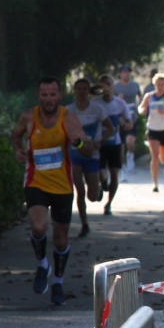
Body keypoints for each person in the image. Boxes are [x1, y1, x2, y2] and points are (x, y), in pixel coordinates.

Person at [11, 76, 92, 306]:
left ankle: (58, 282)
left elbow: (88, 150)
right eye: (44, 94)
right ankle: (42, 264)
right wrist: (19, 149)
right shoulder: (29, 116)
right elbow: (16, 134)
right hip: (35, 181)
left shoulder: (68, 118)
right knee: (38, 226)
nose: (48, 99)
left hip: (62, 185)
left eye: (52, 94)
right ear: (39, 95)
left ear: (59, 95)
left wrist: (77, 143)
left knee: (60, 240)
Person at [67, 77, 111, 236]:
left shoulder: (97, 109)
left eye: (84, 89)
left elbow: (110, 128)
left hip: (92, 154)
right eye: (78, 89)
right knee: (79, 190)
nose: (81, 92)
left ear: (89, 91)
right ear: (74, 91)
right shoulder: (68, 110)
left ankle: (99, 185)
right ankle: (84, 224)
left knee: (92, 197)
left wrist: (100, 142)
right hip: (74, 154)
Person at [96, 77, 129, 213]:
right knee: (100, 172)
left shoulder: (120, 103)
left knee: (114, 174)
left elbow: (129, 123)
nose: (106, 87)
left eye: (108, 84)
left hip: (115, 143)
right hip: (99, 144)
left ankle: (109, 204)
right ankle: (103, 182)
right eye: (103, 85)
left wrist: (124, 123)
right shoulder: (95, 103)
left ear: (113, 86)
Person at [138, 72, 164, 193]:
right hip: (152, 128)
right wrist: (143, 110)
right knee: (154, 156)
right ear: (154, 84)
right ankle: (155, 183)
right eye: (158, 84)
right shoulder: (149, 96)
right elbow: (140, 108)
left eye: (162, 84)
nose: (160, 87)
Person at [113, 67, 142, 171]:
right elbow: (110, 101)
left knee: (130, 141)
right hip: (119, 118)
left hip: (132, 117)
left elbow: (140, 96)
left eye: (128, 72)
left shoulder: (135, 85)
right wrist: (117, 99)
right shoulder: (115, 87)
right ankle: (123, 166)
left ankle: (130, 155)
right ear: (120, 74)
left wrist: (139, 105)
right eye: (124, 72)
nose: (127, 74)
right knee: (121, 145)